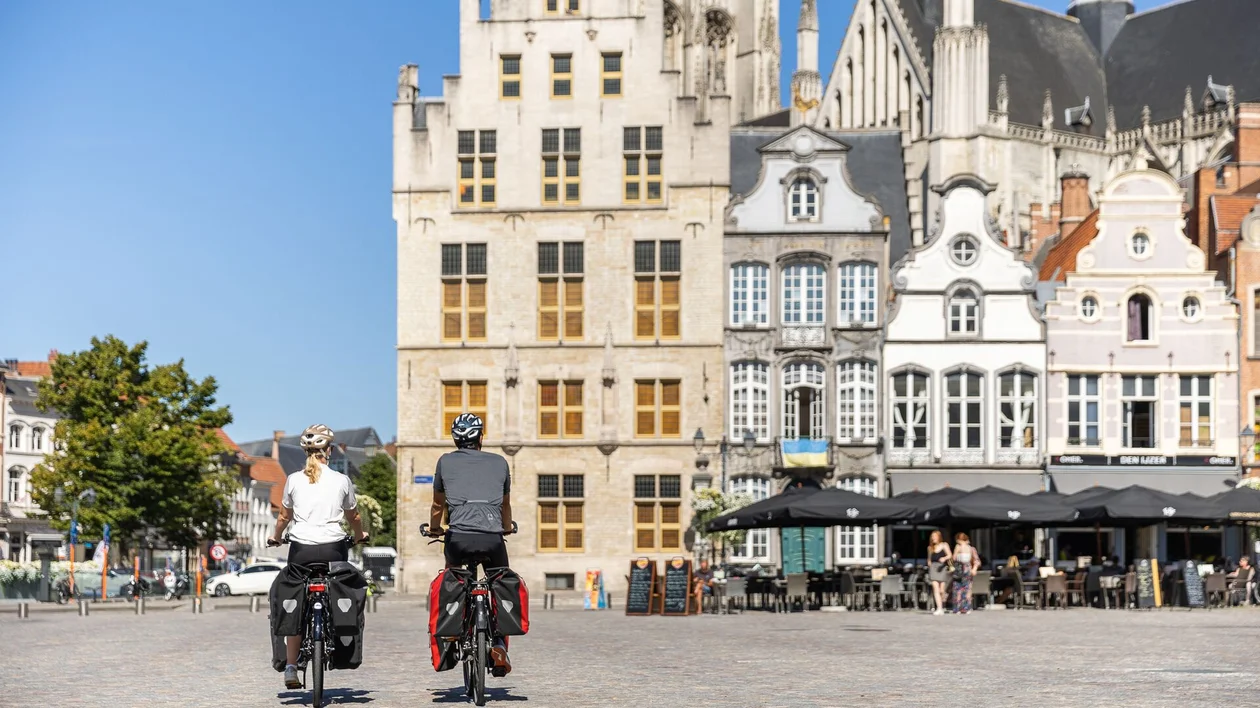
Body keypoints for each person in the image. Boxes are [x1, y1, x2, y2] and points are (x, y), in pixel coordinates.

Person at [268, 424, 367, 690]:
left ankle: (291, 666)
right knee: (339, 588)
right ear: (330, 451)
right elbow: (353, 516)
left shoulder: (293, 479)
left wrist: (277, 536)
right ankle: (335, 633)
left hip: (301, 549)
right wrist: (359, 535)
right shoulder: (341, 480)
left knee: (295, 600)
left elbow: (283, 517)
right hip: (334, 547)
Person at [423, 413, 515, 676]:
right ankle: (498, 641)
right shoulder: (500, 462)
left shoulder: (445, 462)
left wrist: (434, 529)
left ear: (455, 439)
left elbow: (438, 504)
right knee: (499, 582)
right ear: (481, 438)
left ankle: (453, 632)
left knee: (453, 577)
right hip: (493, 539)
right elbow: (505, 505)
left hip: (458, 538)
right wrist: (506, 527)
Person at [951, 533, 981, 614]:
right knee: (957, 588)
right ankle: (958, 607)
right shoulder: (959, 547)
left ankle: (965, 607)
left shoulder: (971, 549)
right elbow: (953, 558)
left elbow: (977, 560)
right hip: (960, 569)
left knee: (966, 588)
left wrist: (974, 569)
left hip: (965, 568)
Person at [926, 530, 952, 616]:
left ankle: (942, 605)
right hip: (934, 568)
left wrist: (944, 558)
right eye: (932, 537)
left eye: (935, 536)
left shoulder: (944, 545)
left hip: (942, 568)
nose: (933, 538)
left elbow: (950, 555)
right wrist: (930, 565)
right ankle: (939, 608)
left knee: (941, 590)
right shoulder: (930, 548)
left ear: (939, 537)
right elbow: (929, 559)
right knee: (935, 588)